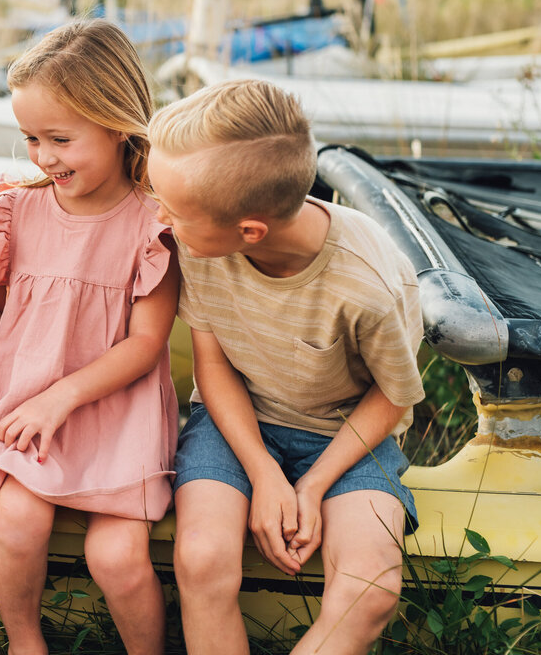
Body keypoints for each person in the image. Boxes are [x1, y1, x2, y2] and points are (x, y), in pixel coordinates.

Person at [146, 78, 424, 655]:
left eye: (170, 209)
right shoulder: (203, 244)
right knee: (201, 558)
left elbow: (395, 398)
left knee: (370, 588)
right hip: (237, 423)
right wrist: (265, 474)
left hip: (348, 436)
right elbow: (213, 367)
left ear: (250, 231)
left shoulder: (365, 283)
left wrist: (316, 482)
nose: (159, 219)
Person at [0, 18, 180, 655]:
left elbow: (145, 345)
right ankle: (24, 642)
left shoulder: (152, 223)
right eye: (31, 138)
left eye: (60, 138)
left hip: (116, 415)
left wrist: (64, 398)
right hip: (26, 409)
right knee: (19, 524)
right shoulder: (17, 211)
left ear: (117, 125)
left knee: (116, 557)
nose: (43, 156)